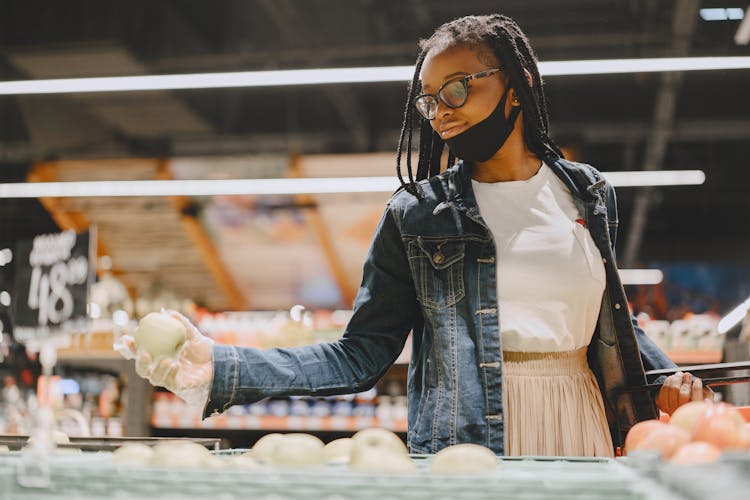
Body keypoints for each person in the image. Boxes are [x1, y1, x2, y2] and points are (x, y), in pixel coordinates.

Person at [118, 14, 710, 457]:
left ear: (517, 81)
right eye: (429, 100)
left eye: (458, 88)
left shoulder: (587, 193)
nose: (441, 112)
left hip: (580, 420)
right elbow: (360, 354)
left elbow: (608, 314)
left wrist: (665, 379)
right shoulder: (418, 215)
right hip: (472, 442)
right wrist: (221, 367)